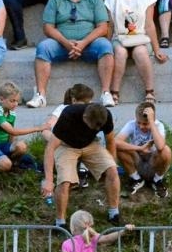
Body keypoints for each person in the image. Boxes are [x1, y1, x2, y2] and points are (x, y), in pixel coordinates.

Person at [42, 97, 121, 228]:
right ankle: (60, 222)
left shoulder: (105, 115)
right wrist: (49, 180)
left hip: (90, 145)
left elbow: (111, 141)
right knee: (65, 181)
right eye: (94, 126)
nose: (96, 128)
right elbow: (50, 148)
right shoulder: (69, 114)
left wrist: (112, 163)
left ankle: (114, 213)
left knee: (112, 170)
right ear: (85, 117)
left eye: (99, 126)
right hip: (66, 145)